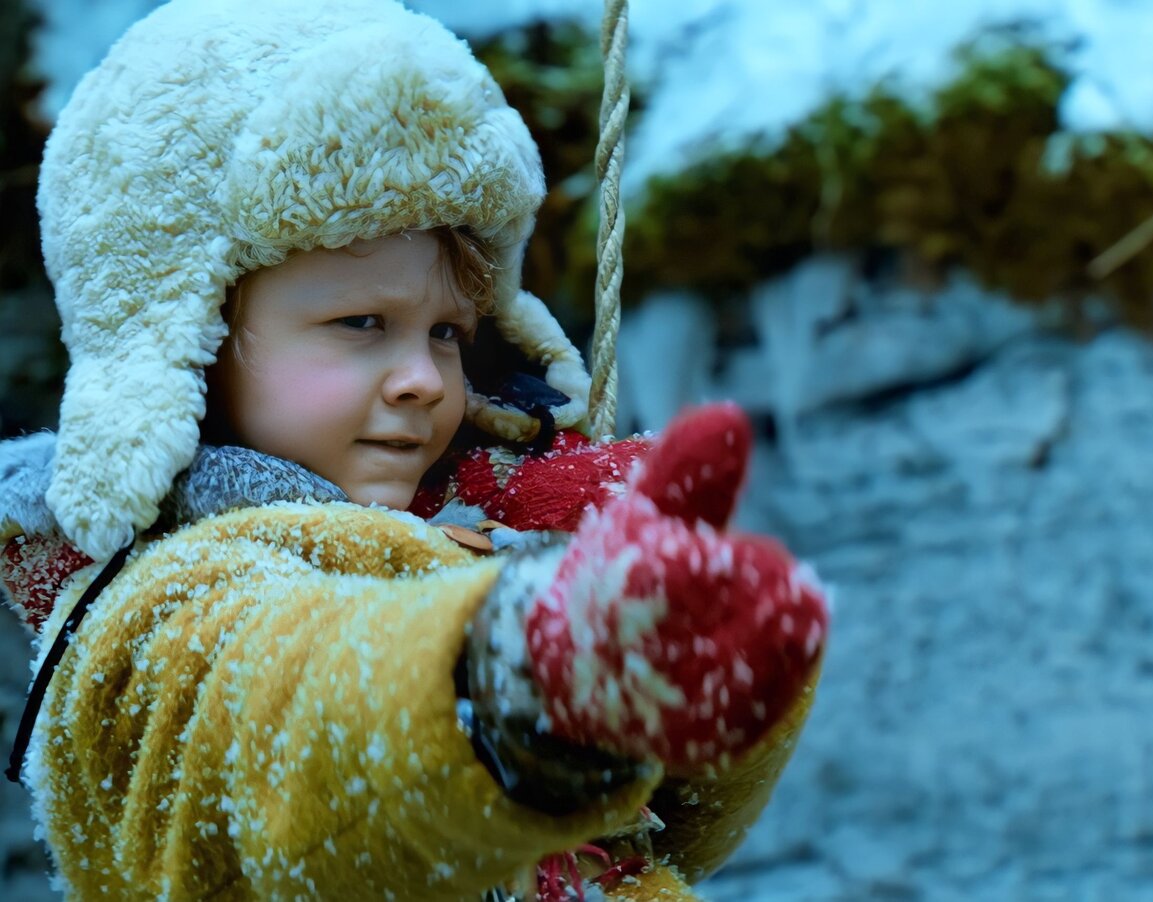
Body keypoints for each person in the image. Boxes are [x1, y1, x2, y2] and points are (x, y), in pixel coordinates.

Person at [0, 1, 829, 899]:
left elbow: (681, 839)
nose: (425, 379)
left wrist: (698, 665)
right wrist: (513, 675)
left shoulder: (495, 528)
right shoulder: (153, 616)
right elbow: (291, 709)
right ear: (183, 343)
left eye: (445, 332)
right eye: (362, 323)